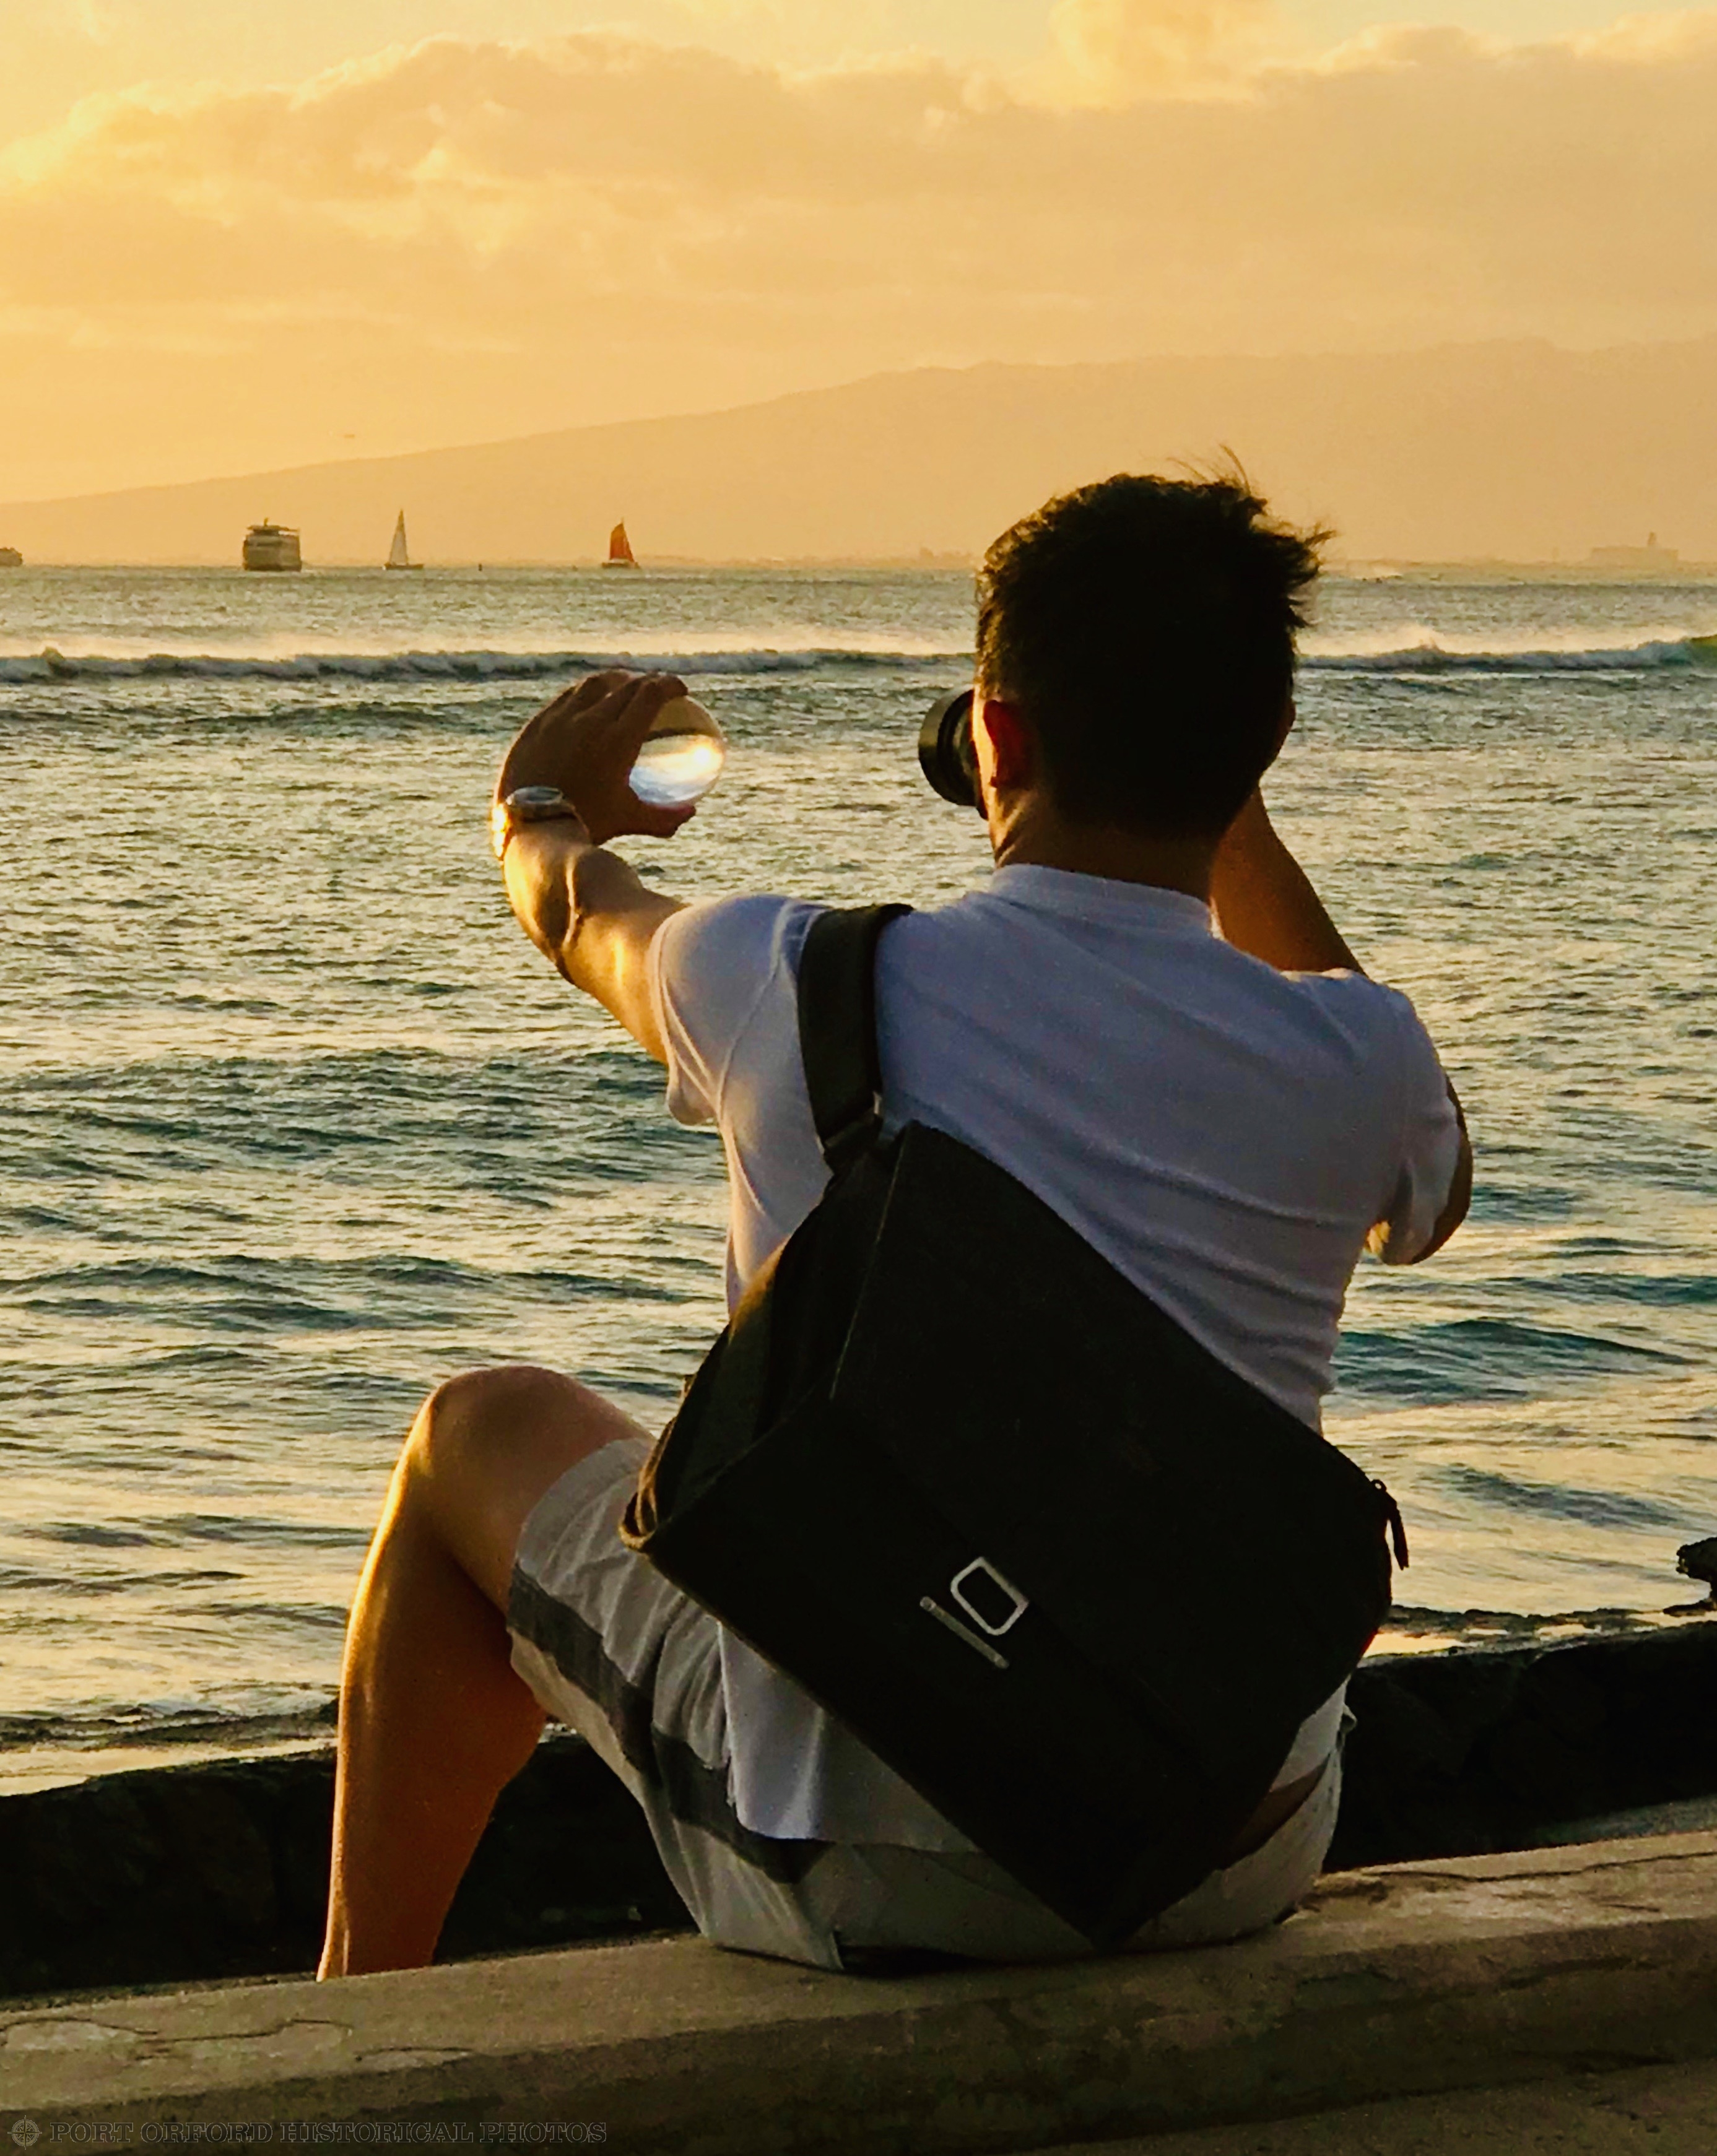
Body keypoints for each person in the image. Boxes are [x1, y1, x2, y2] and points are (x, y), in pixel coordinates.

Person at [318, 473, 1472, 1980]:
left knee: (470, 1433)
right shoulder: (1365, 1057)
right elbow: (1427, 1200)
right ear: (1262, 742)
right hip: (1225, 1850)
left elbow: (572, 909)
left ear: (995, 732)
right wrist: (1222, 799)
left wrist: (532, 807)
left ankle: (355, 2019)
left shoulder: (796, 981)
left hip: (876, 1883)